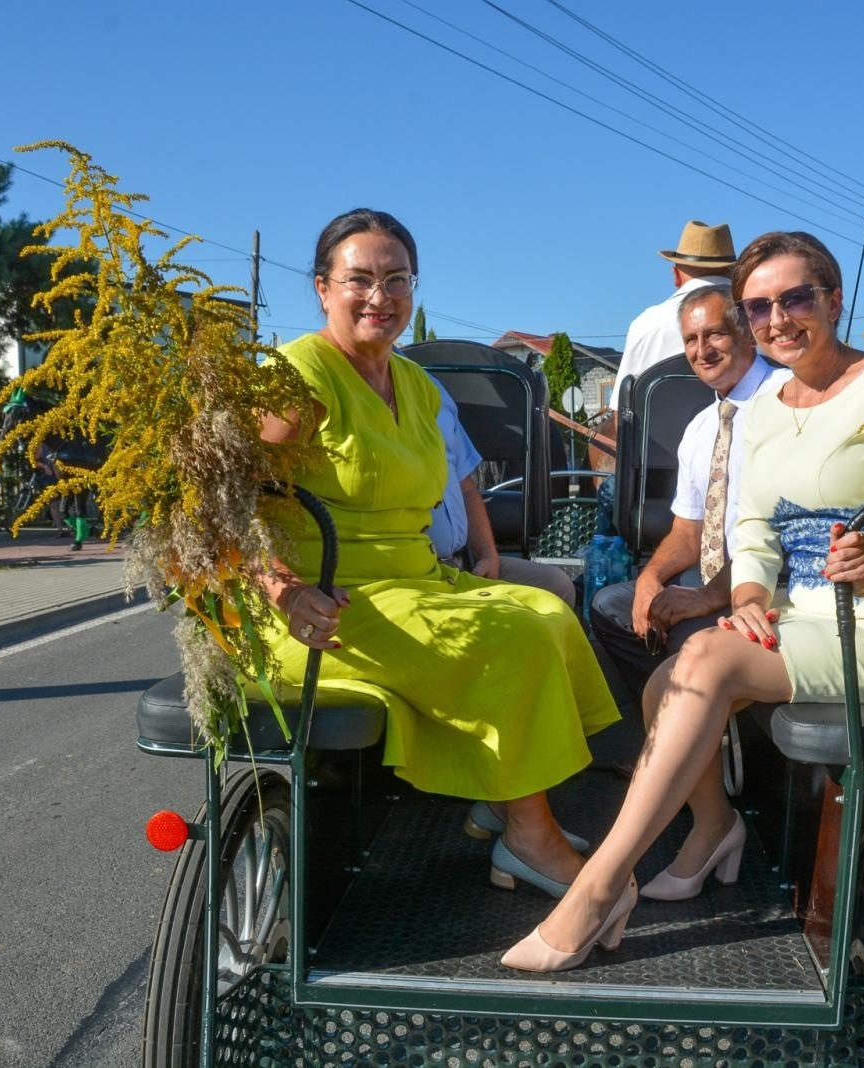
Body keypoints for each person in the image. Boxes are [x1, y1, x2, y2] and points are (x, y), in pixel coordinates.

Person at [503, 230, 864, 973]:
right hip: (800, 613)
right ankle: (713, 828)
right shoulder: (762, 411)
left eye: (795, 298)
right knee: (665, 683)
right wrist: (752, 595)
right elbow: (753, 529)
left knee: (702, 658)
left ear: (833, 300)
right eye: (760, 306)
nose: (778, 319)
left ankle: (599, 889)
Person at [255, 208, 618, 898]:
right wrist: (283, 588)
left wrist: (481, 555)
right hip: (324, 604)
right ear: (322, 288)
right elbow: (223, 505)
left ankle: (505, 799)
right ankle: (530, 837)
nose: (380, 296)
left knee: (548, 612)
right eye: (360, 279)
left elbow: (461, 483)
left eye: (397, 279)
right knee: (512, 636)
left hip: (414, 582)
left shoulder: (416, 384)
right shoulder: (294, 377)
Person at [588, 286, 783, 704]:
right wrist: (650, 578)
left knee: (687, 635)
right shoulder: (700, 426)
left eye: (715, 334)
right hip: (710, 576)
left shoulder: (788, 398)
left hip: (772, 582)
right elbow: (687, 531)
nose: (702, 350)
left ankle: (705, 720)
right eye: (691, 340)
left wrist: (708, 597)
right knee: (611, 607)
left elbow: (788, 528)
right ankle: (674, 719)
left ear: (747, 333)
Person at [427, 376, 575, 607]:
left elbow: (466, 488)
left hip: (462, 561)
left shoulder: (432, 388)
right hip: (419, 570)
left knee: (558, 586)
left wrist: (488, 555)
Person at [611, 220, 738, 388]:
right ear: (734, 272)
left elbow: (621, 401)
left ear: (676, 276)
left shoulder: (645, 324)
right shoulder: (759, 315)